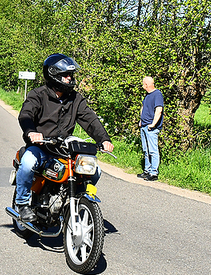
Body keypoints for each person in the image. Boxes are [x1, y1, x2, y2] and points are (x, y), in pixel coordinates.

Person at [16, 53, 114, 222]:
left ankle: (73, 199)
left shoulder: (75, 99)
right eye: (65, 75)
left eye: (71, 75)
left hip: (63, 148)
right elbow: (25, 115)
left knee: (94, 170)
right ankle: (22, 204)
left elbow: (90, 119)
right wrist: (31, 132)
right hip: (41, 146)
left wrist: (104, 139)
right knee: (27, 163)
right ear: (53, 75)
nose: (70, 78)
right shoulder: (38, 95)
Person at [138, 76, 164, 181]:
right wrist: (141, 120)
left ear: (147, 85)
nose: (142, 85)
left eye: (143, 83)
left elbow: (159, 110)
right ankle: (147, 170)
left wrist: (153, 124)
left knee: (153, 150)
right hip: (144, 125)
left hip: (151, 128)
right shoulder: (147, 95)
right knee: (146, 150)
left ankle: (154, 173)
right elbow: (144, 108)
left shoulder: (157, 94)